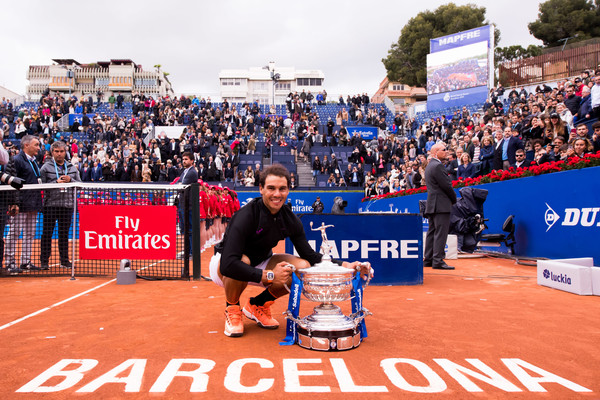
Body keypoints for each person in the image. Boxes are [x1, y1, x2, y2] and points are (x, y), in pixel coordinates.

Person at [210, 164, 370, 337]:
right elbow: (228, 264)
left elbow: (311, 256)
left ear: (288, 190)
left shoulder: (290, 219)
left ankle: (258, 305)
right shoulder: (245, 216)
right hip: (225, 267)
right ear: (261, 189)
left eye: (282, 189)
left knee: (302, 266)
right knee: (243, 261)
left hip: (262, 262)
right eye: (271, 188)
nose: (277, 194)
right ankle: (232, 307)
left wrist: (346, 265)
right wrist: (270, 275)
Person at [39, 141, 81, 269]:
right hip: (50, 205)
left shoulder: (72, 168)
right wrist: (55, 182)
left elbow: (79, 185)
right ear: (52, 153)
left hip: (67, 205)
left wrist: (70, 180)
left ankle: (65, 260)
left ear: (65, 152)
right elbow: (41, 187)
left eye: (61, 151)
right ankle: (44, 261)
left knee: (64, 234)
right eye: (56, 151)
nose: (59, 154)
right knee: (47, 233)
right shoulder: (45, 168)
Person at [5, 135, 43, 272]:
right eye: (36, 145)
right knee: (14, 233)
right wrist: (14, 202)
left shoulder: (33, 161)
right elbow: (12, 183)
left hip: (33, 204)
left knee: (30, 234)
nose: (39, 148)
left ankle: (25, 261)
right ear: (26, 145)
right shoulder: (16, 160)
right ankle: (9, 262)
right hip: (20, 204)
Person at [423, 143, 457, 270]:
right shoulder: (438, 166)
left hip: (433, 204)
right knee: (440, 233)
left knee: (432, 232)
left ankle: (429, 259)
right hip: (441, 204)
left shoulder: (430, 166)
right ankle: (437, 260)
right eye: (444, 150)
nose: (447, 151)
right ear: (436, 152)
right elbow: (447, 186)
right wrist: (454, 199)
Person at [177, 152, 199, 260]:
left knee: (189, 229)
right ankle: (187, 251)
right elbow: (178, 183)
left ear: (191, 161)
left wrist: (180, 185)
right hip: (182, 204)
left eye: (186, 159)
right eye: (183, 159)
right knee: (184, 229)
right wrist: (179, 184)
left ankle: (191, 252)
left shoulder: (192, 173)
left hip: (188, 205)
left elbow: (182, 185)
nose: (184, 161)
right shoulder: (184, 172)